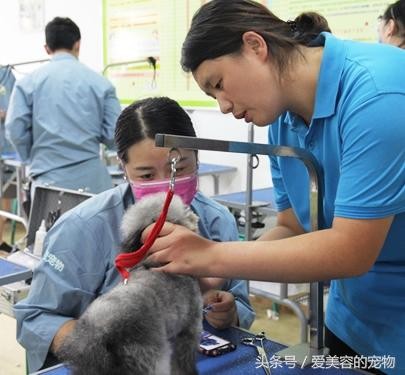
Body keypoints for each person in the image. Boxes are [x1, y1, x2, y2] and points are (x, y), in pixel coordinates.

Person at [145, 1, 405, 374]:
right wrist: (220, 273)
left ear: (255, 45)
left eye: (218, 84)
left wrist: (212, 254)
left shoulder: (378, 96)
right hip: (352, 320)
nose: (222, 106)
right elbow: (292, 226)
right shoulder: (282, 121)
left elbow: (351, 251)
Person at [14, 96, 255, 373]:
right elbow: (36, 318)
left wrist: (229, 312)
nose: (168, 187)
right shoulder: (85, 228)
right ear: (123, 168)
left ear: (198, 158)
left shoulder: (217, 221)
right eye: (147, 175)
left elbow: (240, 303)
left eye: (180, 168)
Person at [5, 17, 121, 195]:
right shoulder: (101, 84)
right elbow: (114, 133)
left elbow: (14, 129)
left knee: (49, 224)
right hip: (93, 182)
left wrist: (33, 158)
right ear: (78, 44)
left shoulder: (27, 84)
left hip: (47, 182)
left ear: (47, 48)